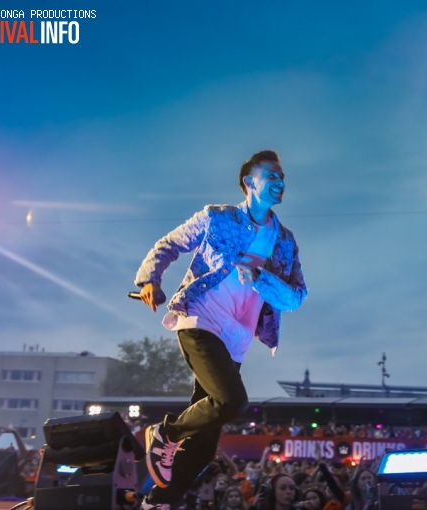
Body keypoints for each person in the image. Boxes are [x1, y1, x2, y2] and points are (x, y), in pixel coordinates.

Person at [134, 149, 307, 509]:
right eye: (271, 176)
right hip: (200, 319)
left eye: (282, 177)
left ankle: (159, 501)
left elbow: (295, 297)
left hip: (236, 339)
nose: (280, 182)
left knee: (204, 444)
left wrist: (260, 277)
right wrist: (150, 278)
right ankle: (166, 432)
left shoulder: (285, 241)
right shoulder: (217, 217)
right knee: (232, 401)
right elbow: (170, 244)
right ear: (249, 183)